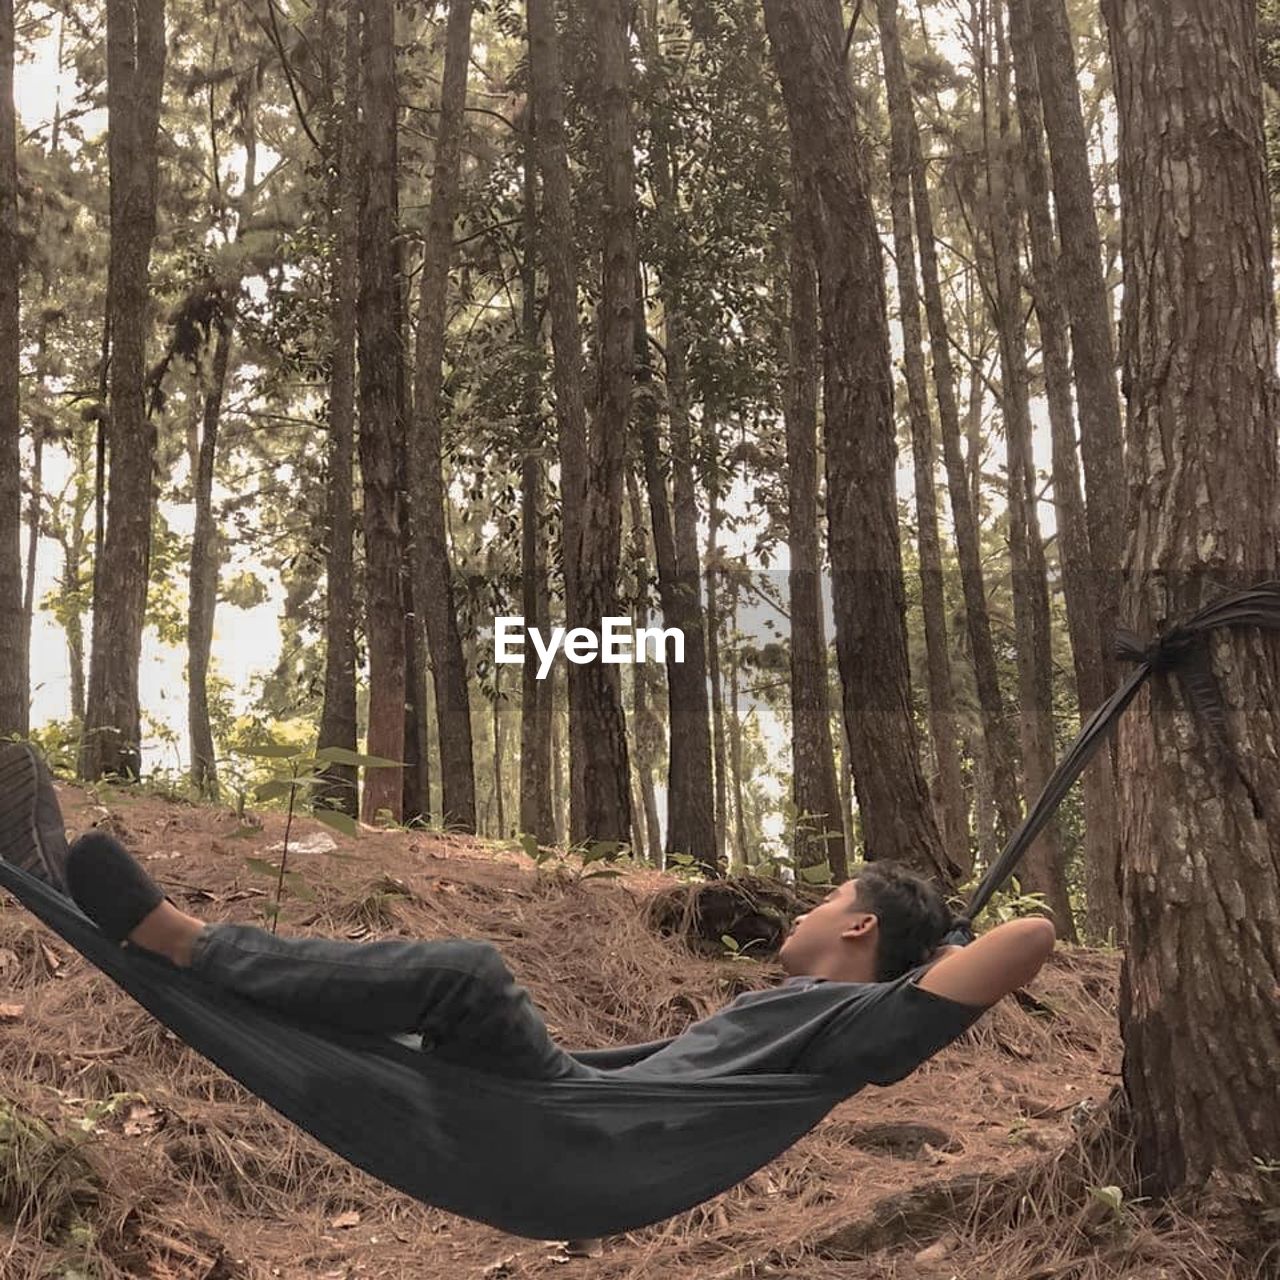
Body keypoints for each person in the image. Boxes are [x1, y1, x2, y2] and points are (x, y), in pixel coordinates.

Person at [0, 741, 1055, 1092]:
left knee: (466, 969)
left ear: (861, 929)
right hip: (578, 1100)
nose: (815, 905)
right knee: (433, 993)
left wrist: (943, 938)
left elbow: (1034, 937)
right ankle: (52, 874)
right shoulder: (797, 1006)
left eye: (834, 897)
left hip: (572, 1120)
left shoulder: (851, 1022)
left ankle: (181, 938)